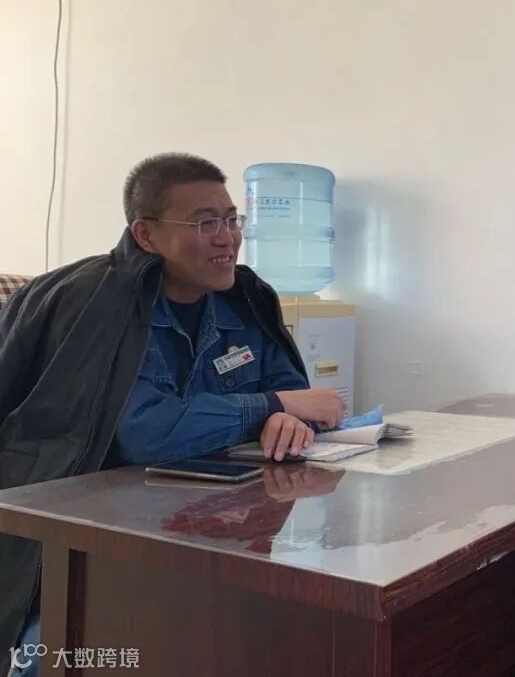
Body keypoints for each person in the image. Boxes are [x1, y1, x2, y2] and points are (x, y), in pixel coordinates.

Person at [0, 153, 348, 676]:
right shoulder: (97, 304)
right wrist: (271, 407)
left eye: (232, 220)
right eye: (206, 223)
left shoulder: (243, 300)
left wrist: (288, 416)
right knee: (51, 654)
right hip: (87, 537)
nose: (228, 238)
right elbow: (142, 432)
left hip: (213, 524)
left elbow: (296, 393)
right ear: (146, 234)